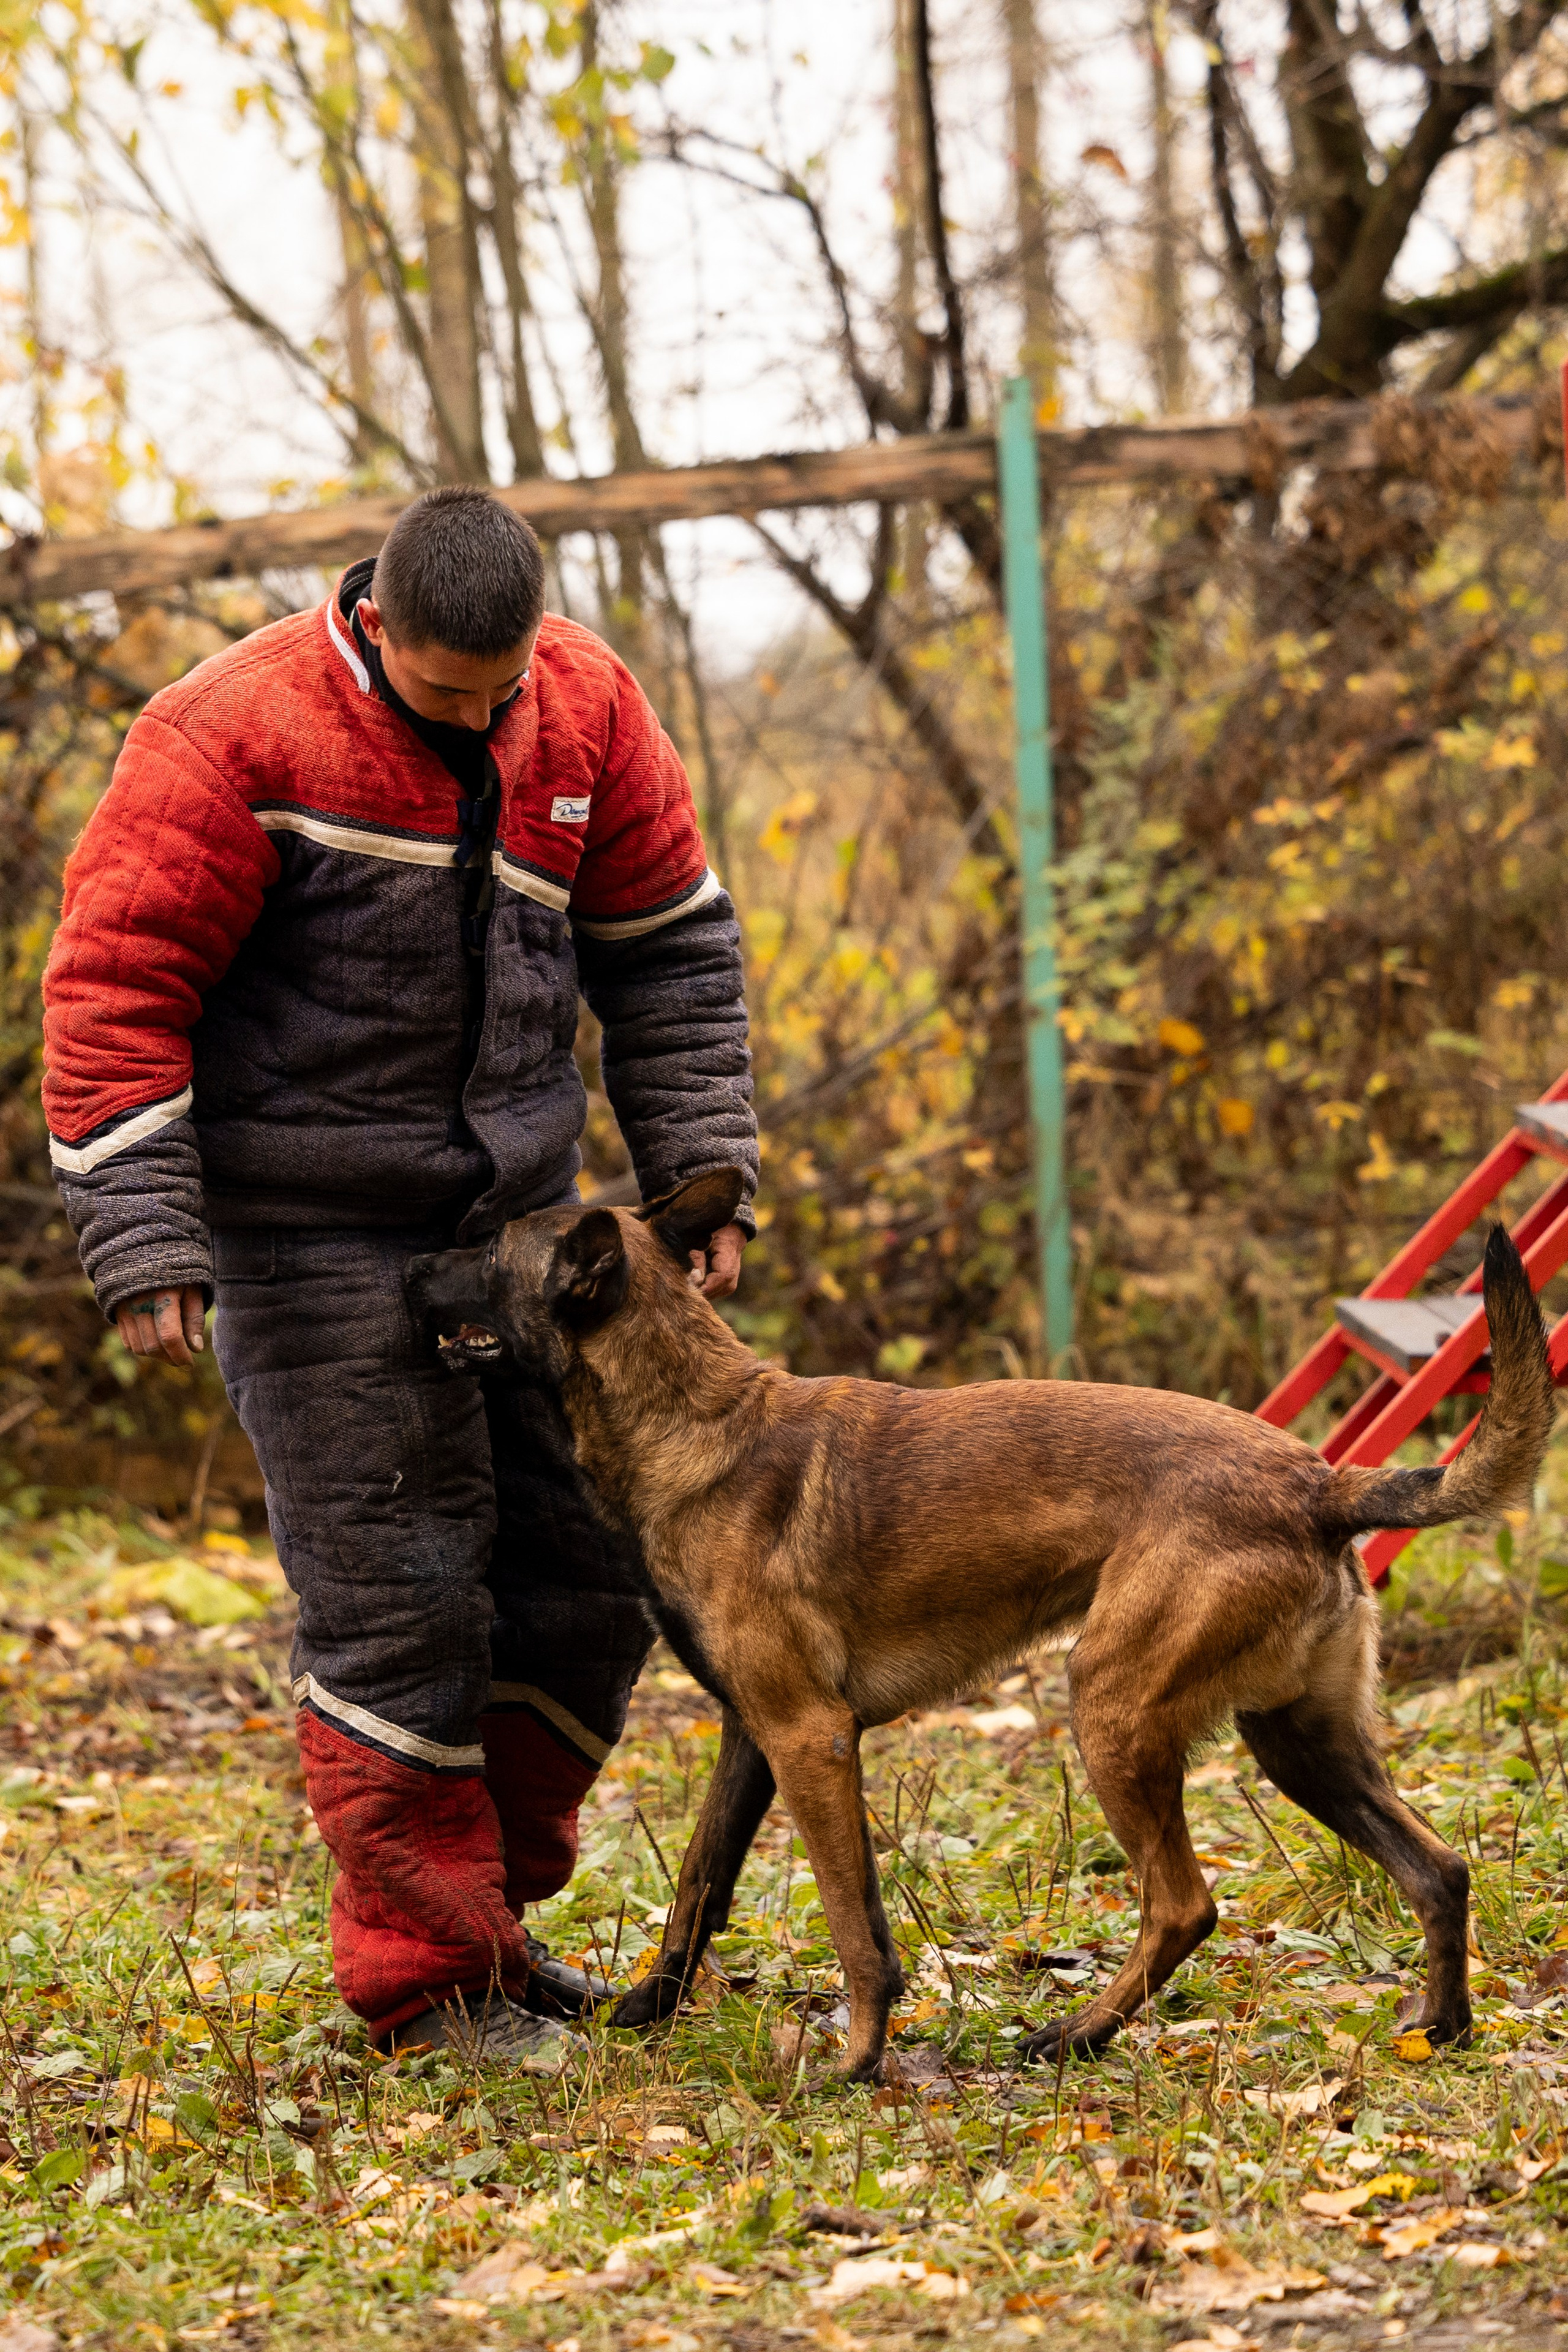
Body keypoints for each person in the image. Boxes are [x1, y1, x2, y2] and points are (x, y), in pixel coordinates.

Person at [41, 488, 758, 2066]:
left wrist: (703, 1180)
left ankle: (485, 1924)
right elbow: (114, 985)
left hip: (516, 1232)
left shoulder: (586, 705)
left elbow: (670, 951)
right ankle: (430, 1989)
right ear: (374, 624)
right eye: (449, 693)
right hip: (306, 1238)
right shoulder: (228, 736)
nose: (483, 715)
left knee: (588, 1578)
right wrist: (145, 1233)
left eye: (503, 687)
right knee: (401, 1603)